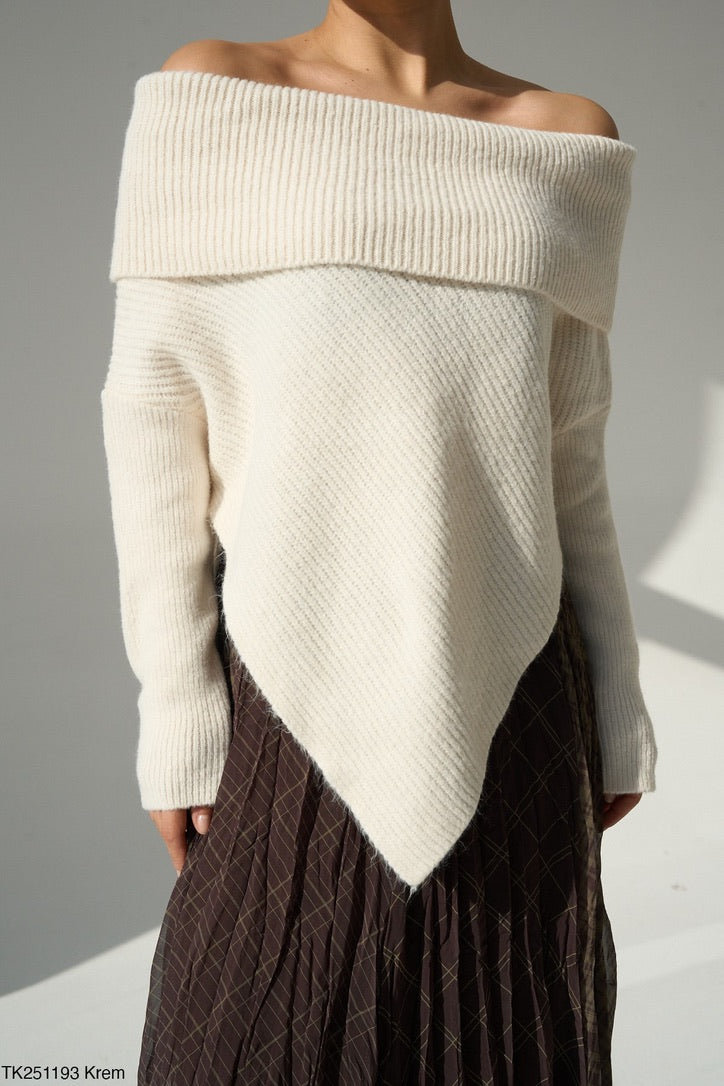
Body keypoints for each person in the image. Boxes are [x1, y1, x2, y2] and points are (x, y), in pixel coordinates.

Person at [100, 3, 658, 1082]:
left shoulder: (565, 136)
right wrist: (176, 709)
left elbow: (570, 454)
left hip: (515, 699)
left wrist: (617, 702)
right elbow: (153, 412)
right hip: (282, 690)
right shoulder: (218, 89)